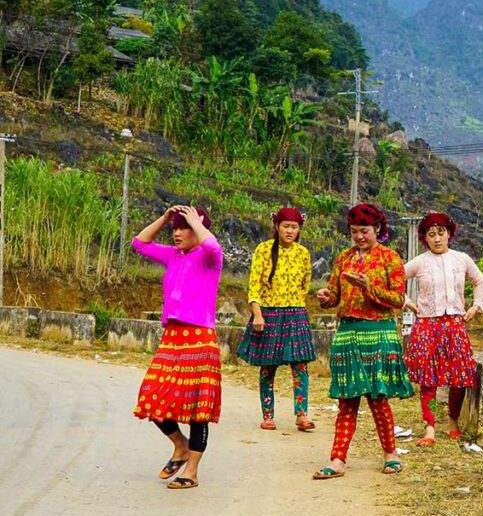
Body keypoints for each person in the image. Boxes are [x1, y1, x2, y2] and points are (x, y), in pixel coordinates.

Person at [312, 203, 414, 479]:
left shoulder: (390, 259)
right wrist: (325, 297)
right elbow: (335, 296)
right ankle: (337, 459)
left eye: (365, 231)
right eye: (355, 231)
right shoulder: (343, 258)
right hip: (347, 334)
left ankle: (391, 454)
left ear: (378, 229)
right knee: (347, 400)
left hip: (378, 333)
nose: (359, 236)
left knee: (378, 399)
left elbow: (397, 299)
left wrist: (368, 286)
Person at [132, 205, 223, 490]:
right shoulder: (172, 255)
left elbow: (213, 245)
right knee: (151, 397)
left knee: (198, 409)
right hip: (172, 338)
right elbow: (139, 243)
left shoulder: (210, 259)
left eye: (183, 228)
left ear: (197, 228)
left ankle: (192, 471)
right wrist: (164, 218)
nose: (177, 233)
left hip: (200, 338)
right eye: (175, 228)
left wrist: (196, 221)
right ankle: (180, 445)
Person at [403, 212, 483, 446]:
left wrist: (477, 306)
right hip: (427, 325)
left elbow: (479, 280)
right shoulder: (420, 262)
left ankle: (453, 421)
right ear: (425, 238)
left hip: (456, 325)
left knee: (459, 377)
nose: (437, 238)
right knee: (428, 379)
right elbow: (394, 279)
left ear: (449, 234)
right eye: (431, 234)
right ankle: (429, 427)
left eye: (441, 233)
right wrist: (407, 302)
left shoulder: (462, 259)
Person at [237, 207, 316, 432]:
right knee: (267, 367)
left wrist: (296, 306)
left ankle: (302, 415)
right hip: (268, 313)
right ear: (277, 227)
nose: (290, 231)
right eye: (286, 226)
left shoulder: (303, 253)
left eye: (294, 227)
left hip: (295, 312)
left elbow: (305, 284)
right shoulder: (263, 250)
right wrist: (258, 313)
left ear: (299, 229)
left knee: (300, 365)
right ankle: (268, 415)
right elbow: (254, 284)